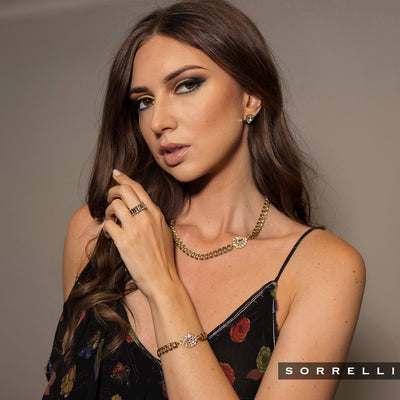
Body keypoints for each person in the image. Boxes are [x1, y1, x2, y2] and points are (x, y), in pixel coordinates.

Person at [42, 0, 365, 399]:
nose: (158, 121)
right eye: (144, 101)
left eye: (186, 85)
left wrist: (162, 285)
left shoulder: (323, 268)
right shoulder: (101, 232)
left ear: (251, 96)